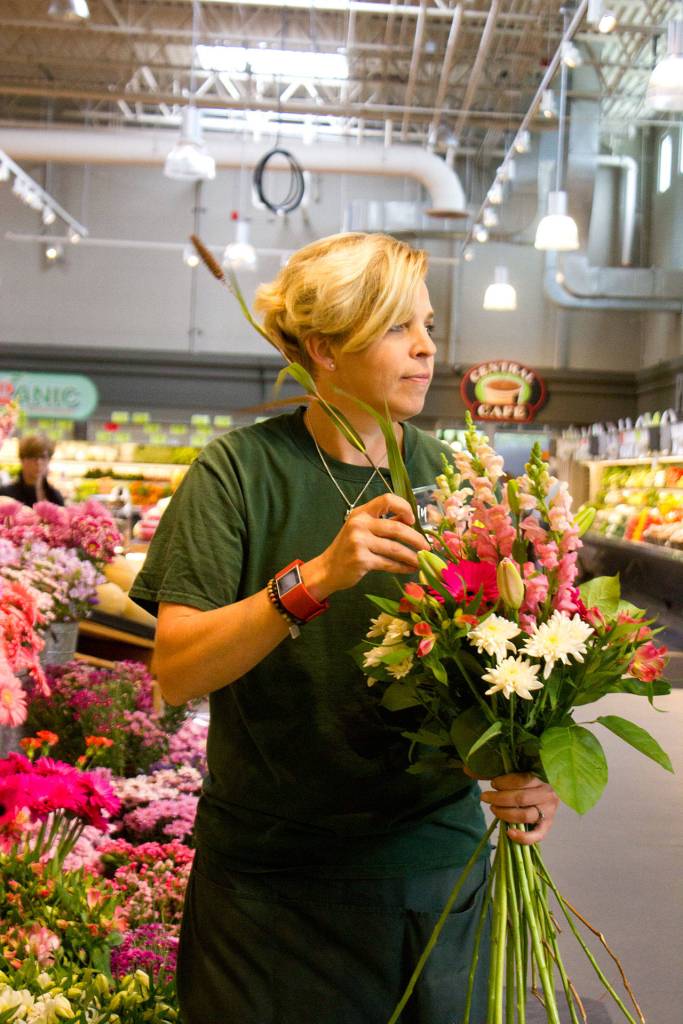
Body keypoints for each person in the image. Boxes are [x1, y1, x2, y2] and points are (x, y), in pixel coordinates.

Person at [130, 232, 559, 1024]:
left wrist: (527, 769)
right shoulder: (236, 473)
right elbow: (176, 670)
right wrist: (314, 579)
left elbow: (521, 663)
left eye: (427, 324)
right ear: (324, 346)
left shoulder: (465, 485)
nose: (427, 348)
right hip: (268, 891)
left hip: (430, 879)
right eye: (398, 327)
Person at [0, 433, 64, 506]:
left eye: (43, 457)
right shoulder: (6, 495)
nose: (38, 462)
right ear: (22, 459)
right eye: (32, 457)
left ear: (49, 459)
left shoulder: (55, 497)